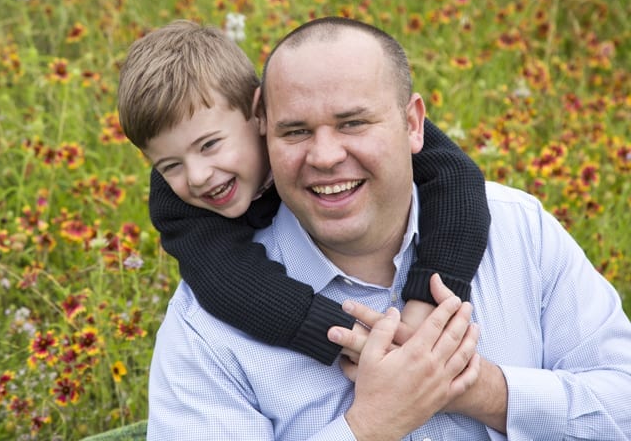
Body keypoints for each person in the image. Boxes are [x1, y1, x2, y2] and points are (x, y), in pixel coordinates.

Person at [145, 16, 631, 440]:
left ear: (413, 124)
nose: (326, 155)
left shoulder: (519, 232)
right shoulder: (204, 329)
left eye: (353, 123)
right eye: (295, 131)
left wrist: (476, 388)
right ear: (264, 127)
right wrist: (369, 427)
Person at [117, 20, 490, 366]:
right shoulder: (178, 204)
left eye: (211, 145)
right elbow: (230, 280)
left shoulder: (327, 115)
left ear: (259, 113)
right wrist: (342, 336)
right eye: (169, 166)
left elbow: (456, 178)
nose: (197, 177)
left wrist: (429, 299)